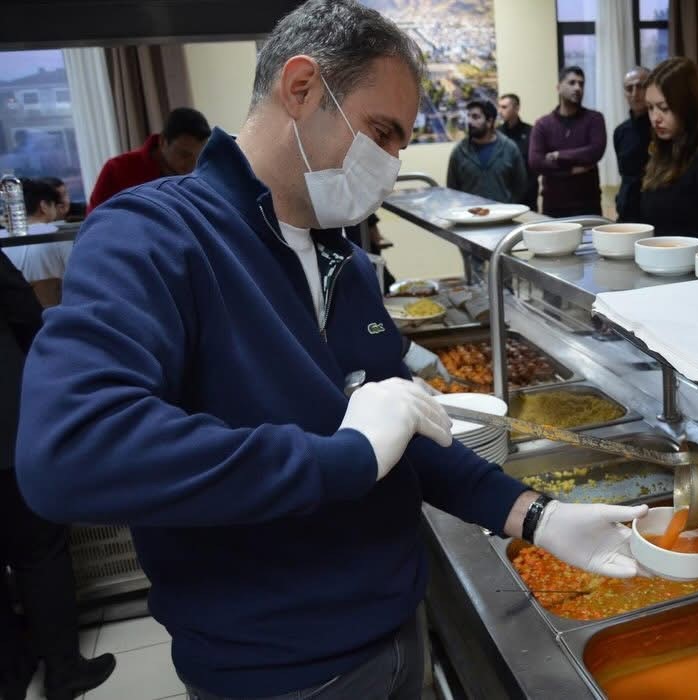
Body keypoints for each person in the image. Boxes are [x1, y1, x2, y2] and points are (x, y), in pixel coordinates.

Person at [15, 2, 647, 698]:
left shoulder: (339, 258)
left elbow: (408, 432)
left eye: (401, 144)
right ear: (302, 88)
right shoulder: (153, 235)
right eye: (382, 133)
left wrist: (537, 516)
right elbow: (70, 451)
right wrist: (344, 457)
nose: (390, 163)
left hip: (400, 625)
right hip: (278, 670)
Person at [1, 252, 116, 700]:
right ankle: (63, 669)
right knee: (39, 550)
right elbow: (24, 314)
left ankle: (10, 670)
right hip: (4, 424)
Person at [638, 58, 698, 247]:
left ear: (687, 107)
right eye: (650, 108)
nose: (655, 118)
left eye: (664, 108)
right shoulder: (660, 153)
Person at [87, 107, 210, 212]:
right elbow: (92, 227)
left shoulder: (206, 172)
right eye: (184, 155)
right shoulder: (117, 170)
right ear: (162, 142)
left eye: (199, 156)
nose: (193, 164)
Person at [528, 66, 607, 217]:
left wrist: (558, 155)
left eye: (581, 84)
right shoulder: (543, 124)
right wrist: (570, 170)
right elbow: (536, 161)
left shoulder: (595, 119)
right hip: (553, 206)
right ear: (558, 87)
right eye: (572, 83)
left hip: (588, 206)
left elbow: (595, 151)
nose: (577, 88)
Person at [2, 179, 73, 306]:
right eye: (53, 205)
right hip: (57, 313)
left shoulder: (4, 239)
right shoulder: (58, 236)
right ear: (44, 206)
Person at [446, 99, 527, 203]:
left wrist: (508, 207)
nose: (469, 122)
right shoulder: (459, 151)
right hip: (469, 216)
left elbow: (520, 186)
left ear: (489, 122)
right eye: (469, 116)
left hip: (502, 215)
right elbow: (452, 189)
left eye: (475, 117)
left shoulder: (509, 148)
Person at [613, 66, 651, 222]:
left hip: (654, 211)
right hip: (627, 211)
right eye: (629, 88)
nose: (635, 94)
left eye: (641, 86)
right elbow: (624, 175)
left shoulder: (662, 129)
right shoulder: (620, 132)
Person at [497, 93, 537, 211]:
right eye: (499, 107)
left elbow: (535, 163)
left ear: (516, 108)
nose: (500, 111)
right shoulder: (497, 134)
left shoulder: (531, 132)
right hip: (504, 194)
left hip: (528, 194)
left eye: (504, 107)